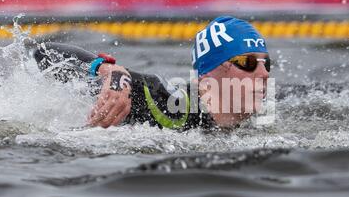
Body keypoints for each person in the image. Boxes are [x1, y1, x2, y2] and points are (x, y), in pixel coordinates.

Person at [33, 16, 271, 130]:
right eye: (248, 62)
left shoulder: (255, 124)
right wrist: (107, 70)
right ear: (208, 74)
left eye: (266, 63)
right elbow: (44, 53)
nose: (265, 74)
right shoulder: (160, 101)